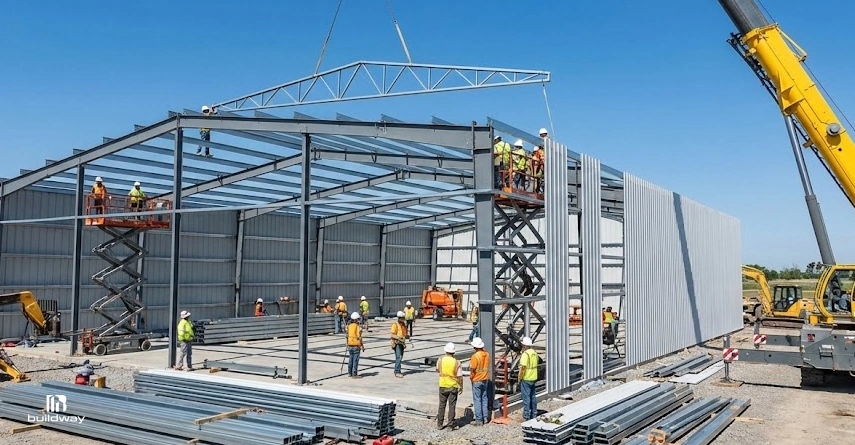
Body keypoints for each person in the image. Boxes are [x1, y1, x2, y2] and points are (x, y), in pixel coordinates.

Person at [436, 342, 463, 430]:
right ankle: (450, 425)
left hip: (443, 385)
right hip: (453, 386)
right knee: (452, 406)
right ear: (453, 352)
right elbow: (459, 376)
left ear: (445, 351)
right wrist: (461, 386)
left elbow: (437, 369)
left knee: (442, 405)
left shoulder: (440, 359)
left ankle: (439, 424)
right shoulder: (457, 362)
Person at [469, 337, 491, 426]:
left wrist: (471, 378)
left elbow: (472, 369)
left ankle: (479, 419)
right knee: (484, 398)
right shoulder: (487, 354)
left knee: (477, 399)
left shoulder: (475, 356)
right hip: (485, 379)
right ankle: (485, 417)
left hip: (477, 379)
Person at [518, 336, 538, 420]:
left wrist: (519, 377)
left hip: (526, 378)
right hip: (533, 377)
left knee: (526, 397)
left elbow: (523, 368)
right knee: (533, 396)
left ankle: (527, 415)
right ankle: (534, 413)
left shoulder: (525, 354)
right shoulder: (534, 352)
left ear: (525, 346)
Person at [347, 312, 365, 378]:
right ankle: (354, 373)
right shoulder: (357, 326)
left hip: (349, 344)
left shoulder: (349, 326)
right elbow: (359, 337)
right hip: (356, 344)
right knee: (355, 360)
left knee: (350, 359)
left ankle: (349, 373)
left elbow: (347, 335)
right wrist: (362, 346)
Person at [390, 311, 408, 378]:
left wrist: (406, 336)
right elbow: (392, 334)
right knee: (398, 357)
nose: (403, 319)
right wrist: (399, 338)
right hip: (397, 343)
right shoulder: (395, 325)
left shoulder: (403, 325)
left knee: (400, 357)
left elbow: (405, 333)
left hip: (402, 343)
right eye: (403, 318)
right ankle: (397, 371)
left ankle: (398, 370)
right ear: (399, 318)